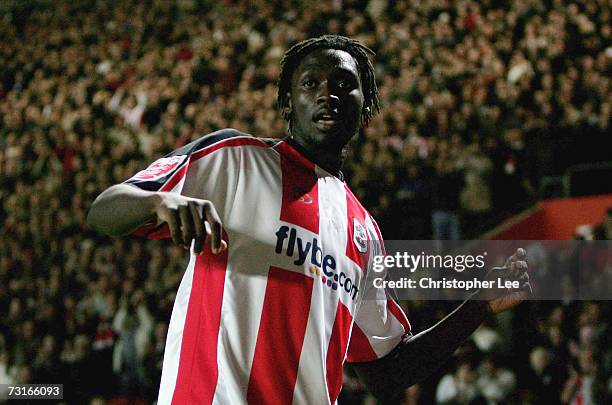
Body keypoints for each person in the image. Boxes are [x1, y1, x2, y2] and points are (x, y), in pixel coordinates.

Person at [88, 35, 531, 405]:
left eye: (344, 83)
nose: (327, 93)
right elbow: (105, 210)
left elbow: (386, 372)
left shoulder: (363, 232)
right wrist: (159, 204)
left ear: (366, 106)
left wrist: (478, 307)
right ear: (288, 100)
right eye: (311, 82)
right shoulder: (236, 159)